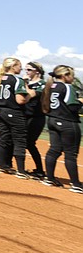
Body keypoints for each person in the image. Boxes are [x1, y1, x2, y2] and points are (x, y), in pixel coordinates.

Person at [40, 65, 82, 193]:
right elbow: (73, 107)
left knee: (54, 150)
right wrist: (80, 101)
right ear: (64, 76)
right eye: (71, 75)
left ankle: (50, 178)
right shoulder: (68, 87)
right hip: (67, 122)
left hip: (53, 120)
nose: (73, 78)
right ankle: (75, 184)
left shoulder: (51, 86)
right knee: (70, 154)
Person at [0, 57, 36, 178]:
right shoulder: (17, 80)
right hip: (14, 112)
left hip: (1, 111)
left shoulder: (1, 78)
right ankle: (21, 171)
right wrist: (30, 95)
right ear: (13, 66)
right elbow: (20, 100)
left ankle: (3, 165)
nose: (21, 68)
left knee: (3, 139)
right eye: (19, 65)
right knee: (19, 140)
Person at [23, 62, 47, 179]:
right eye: (25, 69)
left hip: (36, 117)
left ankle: (40, 170)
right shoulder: (26, 82)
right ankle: (8, 163)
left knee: (29, 143)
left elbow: (30, 94)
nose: (26, 72)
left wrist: (25, 83)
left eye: (29, 69)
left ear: (37, 71)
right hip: (24, 115)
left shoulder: (42, 84)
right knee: (18, 140)